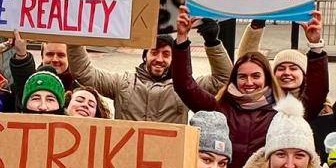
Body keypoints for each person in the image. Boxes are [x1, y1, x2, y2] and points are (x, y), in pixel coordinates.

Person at [171, 6, 277, 168]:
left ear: (267, 78)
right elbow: (185, 86)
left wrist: (316, 46)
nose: (249, 83)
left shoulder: (281, 112)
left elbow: (315, 97)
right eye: (242, 77)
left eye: (256, 76)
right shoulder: (218, 107)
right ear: (234, 79)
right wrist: (182, 39)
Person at [66, 19, 232, 124]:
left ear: (174, 59)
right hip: (125, 161)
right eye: (154, 52)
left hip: (168, 165)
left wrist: (212, 43)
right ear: (145, 56)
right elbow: (84, 73)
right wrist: (75, 36)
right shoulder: (122, 82)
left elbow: (223, 80)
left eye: (166, 54)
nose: (159, 59)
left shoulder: (187, 88)